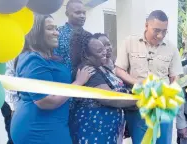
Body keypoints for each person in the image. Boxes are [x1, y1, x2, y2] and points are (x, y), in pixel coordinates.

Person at [10, 14, 93, 144]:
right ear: (36, 32)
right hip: (38, 128)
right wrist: (78, 83)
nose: (56, 33)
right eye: (50, 28)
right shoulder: (33, 60)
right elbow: (45, 101)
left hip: (53, 124)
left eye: (56, 28)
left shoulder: (48, 58)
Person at [115, 10, 183, 144]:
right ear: (146, 26)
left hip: (162, 107)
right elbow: (119, 70)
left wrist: (171, 91)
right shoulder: (130, 42)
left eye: (164, 31)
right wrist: (138, 84)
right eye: (156, 30)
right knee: (141, 141)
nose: (160, 35)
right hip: (138, 105)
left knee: (163, 141)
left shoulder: (171, 48)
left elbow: (175, 76)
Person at [69, 30, 135, 144]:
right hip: (93, 131)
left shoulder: (102, 67)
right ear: (86, 55)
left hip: (107, 131)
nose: (105, 51)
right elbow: (109, 98)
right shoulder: (88, 70)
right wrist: (140, 99)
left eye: (104, 47)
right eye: (100, 50)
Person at [54, 0, 86, 71]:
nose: (82, 16)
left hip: (88, 79)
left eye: (84, 13)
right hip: (63, 79)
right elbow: (53, 58)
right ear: (67, 13)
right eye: (78, 12)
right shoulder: (57, 33)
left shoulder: (88, 36)